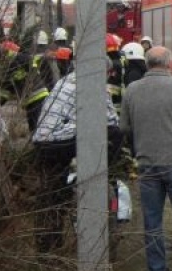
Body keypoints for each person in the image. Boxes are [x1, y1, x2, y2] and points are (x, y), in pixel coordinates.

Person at [121, 46, 172, 271]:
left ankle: (156, 267)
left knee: (152, 218)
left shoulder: (133, 90)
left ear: (147, 64)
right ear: (168, 64)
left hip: (147, 161)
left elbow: (124, 127)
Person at [31, 69, 123, 252]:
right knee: (114, 133)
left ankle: (48, 247)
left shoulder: (66, 80)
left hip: (42, 142)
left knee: (51, 194)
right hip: (60, 140)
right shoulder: (95, 83)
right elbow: (111, 120)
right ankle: (109, 175)